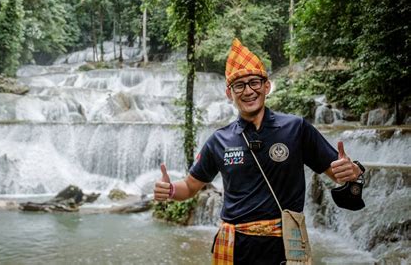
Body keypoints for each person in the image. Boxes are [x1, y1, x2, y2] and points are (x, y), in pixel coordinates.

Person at [153, 38, 365, 265]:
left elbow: (339, 174)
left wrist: (352, 171)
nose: (248, 91)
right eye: (239, 85)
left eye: (254, 82)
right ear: (229, 93)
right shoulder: (219, 140)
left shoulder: (296, 129)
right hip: (234, 247)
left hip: (285, 245)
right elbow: (190, 187)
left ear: (267, 86)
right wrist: (171, 190)